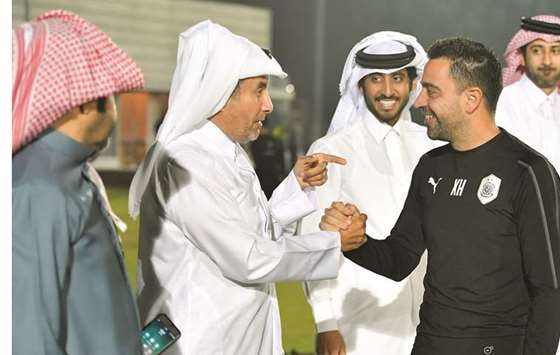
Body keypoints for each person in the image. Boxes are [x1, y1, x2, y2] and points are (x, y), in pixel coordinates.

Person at [128, 20, 366, 355]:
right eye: (258, 90)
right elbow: (247, 257)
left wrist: (295, 186)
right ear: (221, 94)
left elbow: (252, 230)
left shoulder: (226, 152)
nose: (268, 105)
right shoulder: (184, 162)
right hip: (203, 343)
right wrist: (332, 243)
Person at [322, 38, 560, 355]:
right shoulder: (430, 167)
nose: (419, 101)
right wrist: (355, 241)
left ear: (471, 99)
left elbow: (549, 290)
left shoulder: (528, 172)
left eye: (431, 91)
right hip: (429, 344)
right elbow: (399, 259)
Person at [12, 10, 145, 354]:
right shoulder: (35, 189)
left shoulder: (71, 174)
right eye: (109, 93)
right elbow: (28, 338)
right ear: (87, 101)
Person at [300, 31, 435, 355]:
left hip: (431, 324)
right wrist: (326, 324)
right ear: (360, 84)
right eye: (376, 79)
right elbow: (313, 240)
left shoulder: (431, 143)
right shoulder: (331, 150)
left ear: (412, 83)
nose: (388, 90)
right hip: (361, 327)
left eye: (398, 78)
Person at [495, 16, 560, 355]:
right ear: (521, 55)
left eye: (556, 51)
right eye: (537, 50)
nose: (547, 59)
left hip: (556, 261)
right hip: (505, 258)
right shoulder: (502, 104)